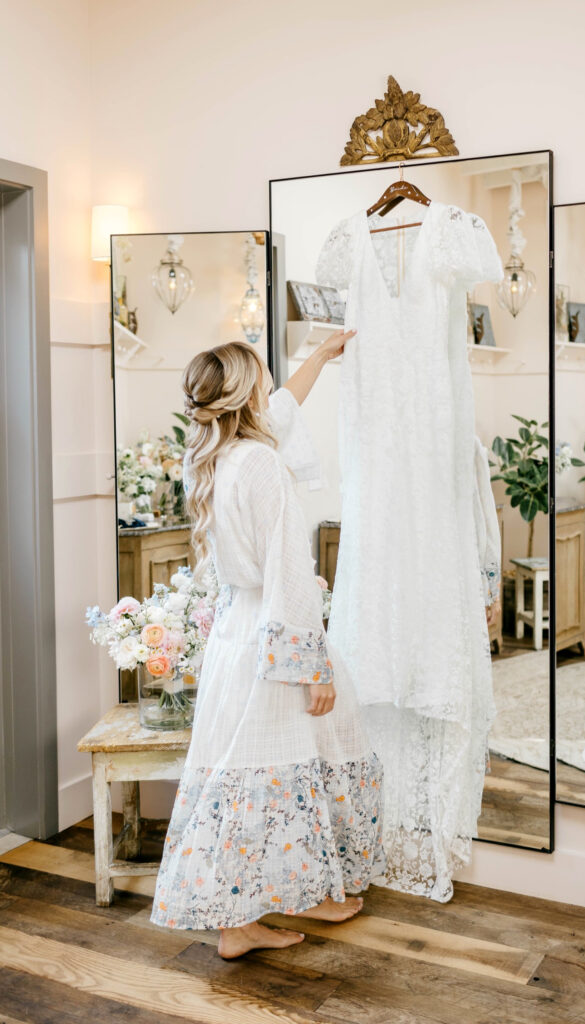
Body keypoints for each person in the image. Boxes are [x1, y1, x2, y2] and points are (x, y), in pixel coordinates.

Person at [150, 332, 385, 959]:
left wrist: (323, 356)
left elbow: (285, 403)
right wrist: (313, 668)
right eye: (262, 376)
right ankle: (310, 893)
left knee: (243, 773)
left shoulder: (215, 455)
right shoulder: (261, 464)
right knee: (290, 763)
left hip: (236, 633)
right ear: (243, 394)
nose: (269, 384)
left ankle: (239, 924)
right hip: (273, 635)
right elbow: (287, 573)